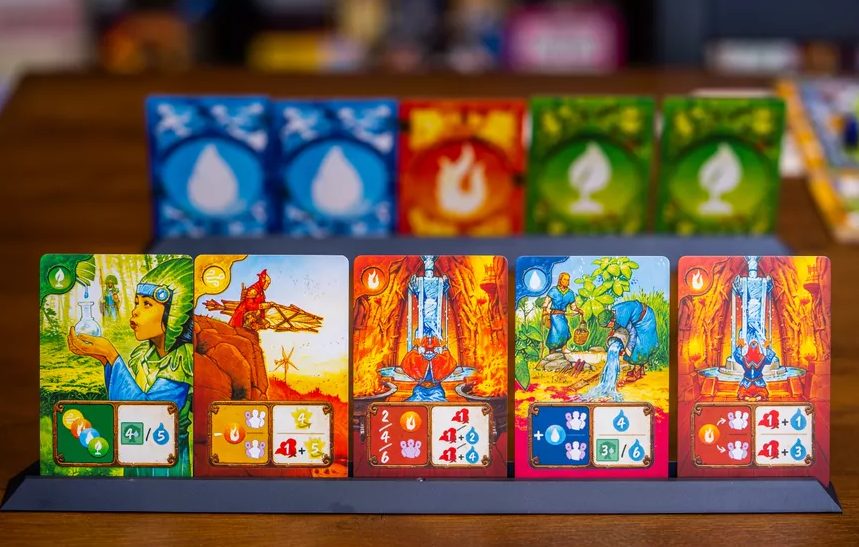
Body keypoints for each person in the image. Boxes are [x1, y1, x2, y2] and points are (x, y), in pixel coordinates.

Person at [67, 258, 193, 477]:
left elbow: (148, 411)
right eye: (136, 303)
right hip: (136, 450)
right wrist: (105, 360)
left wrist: (111, 355)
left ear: (174, 312)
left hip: (166, 461)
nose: (135, 311)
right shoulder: (144, 355)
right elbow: (127, 402)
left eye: (147, 304)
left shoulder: (182, 360)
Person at [598, 299, 658, 380]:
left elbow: (632, 334)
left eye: (607, 325)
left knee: (640, 344)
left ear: (611, 320)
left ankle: (637, 372)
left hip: (645, 319)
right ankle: (640, 369)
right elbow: (617, 328)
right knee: (635, 344)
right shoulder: (612, 313)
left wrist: (628, 349)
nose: (607, 327)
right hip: (637, 318)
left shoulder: (621, 316)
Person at [542, 272, 578, 352]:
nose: (567, 281)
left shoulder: (570, 293)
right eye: (565, 279)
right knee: (556, 331)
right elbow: (546, 302)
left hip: (562, 315)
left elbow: (573, 307)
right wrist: (545, 310)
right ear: (560, 280)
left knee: (565, 329)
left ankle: (563, 347)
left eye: (568, 280)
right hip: (554, 315)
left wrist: (579, 310)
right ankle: (552, 349)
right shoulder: (554, 290)